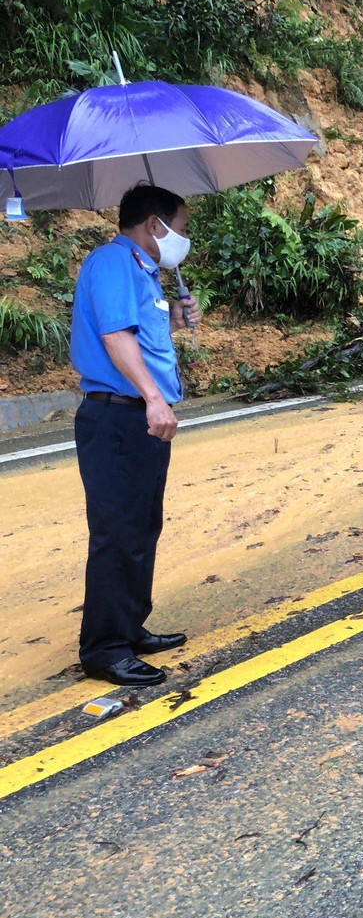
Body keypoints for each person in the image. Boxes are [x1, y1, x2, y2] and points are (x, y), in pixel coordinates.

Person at [69, 184, 200, 687]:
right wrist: (152, 398)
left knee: (142, 527)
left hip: (137, 418)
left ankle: (129, 627)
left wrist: (180, 317)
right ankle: (105, 649)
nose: (182, 238)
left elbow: (142, 336)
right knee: (118, 533)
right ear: (153, 225)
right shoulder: (112, 263)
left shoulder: (145, 274)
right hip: (119, 417)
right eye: (181, 228)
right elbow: (115, 338)